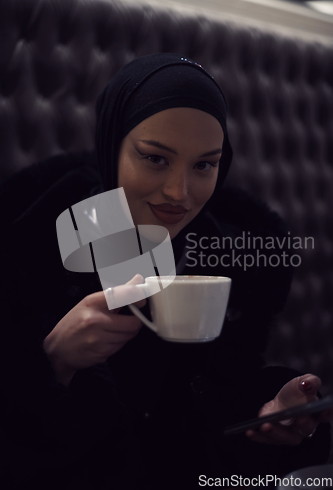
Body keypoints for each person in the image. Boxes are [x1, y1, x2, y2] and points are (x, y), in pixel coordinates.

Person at [0, 53, 331, 490]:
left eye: (204, 165)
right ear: (111, 144)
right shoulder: (28, 247)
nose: (180, 192)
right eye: (155, 159)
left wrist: (267, 410)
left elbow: (213, 395)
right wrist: (54, 364)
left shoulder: (229, 256)